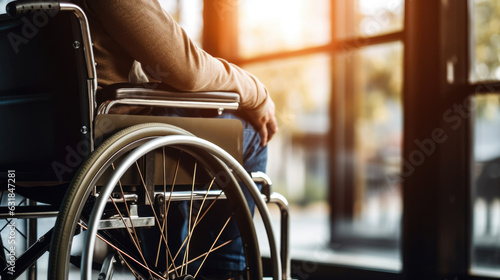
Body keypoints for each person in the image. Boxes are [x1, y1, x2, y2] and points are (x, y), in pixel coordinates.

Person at [72, 0, 278, 278]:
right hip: (112, 142)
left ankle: (167, 265)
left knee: (171, 134)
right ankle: (222, 273)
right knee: (251, 136)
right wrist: (257, 94)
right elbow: (188, 69)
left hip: (49, 151)